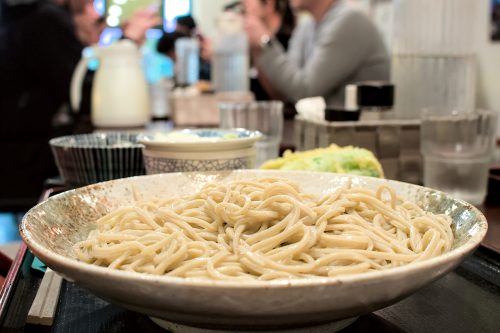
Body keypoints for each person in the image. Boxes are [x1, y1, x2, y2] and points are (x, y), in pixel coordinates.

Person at [0, 0, 158, 209]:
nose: (95, 16)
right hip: (26, 156)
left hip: (22, 147)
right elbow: (85, 94)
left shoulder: (33, 17)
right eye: (91, 7)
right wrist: (126, 43)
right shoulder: (48, 19)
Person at [244, 0, 390, 106]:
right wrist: (257, 47)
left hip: (358, 137)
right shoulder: (307, 26)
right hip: (329, 134)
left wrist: (265, 41)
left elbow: (305, 92)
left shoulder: (349, 20)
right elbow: (285, 90)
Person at [243, 0, 295, 100]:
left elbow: (282, 94)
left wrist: (262, 44)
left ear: (269, 4)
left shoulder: (289, 41)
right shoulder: (251, 42)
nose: (244, 3)